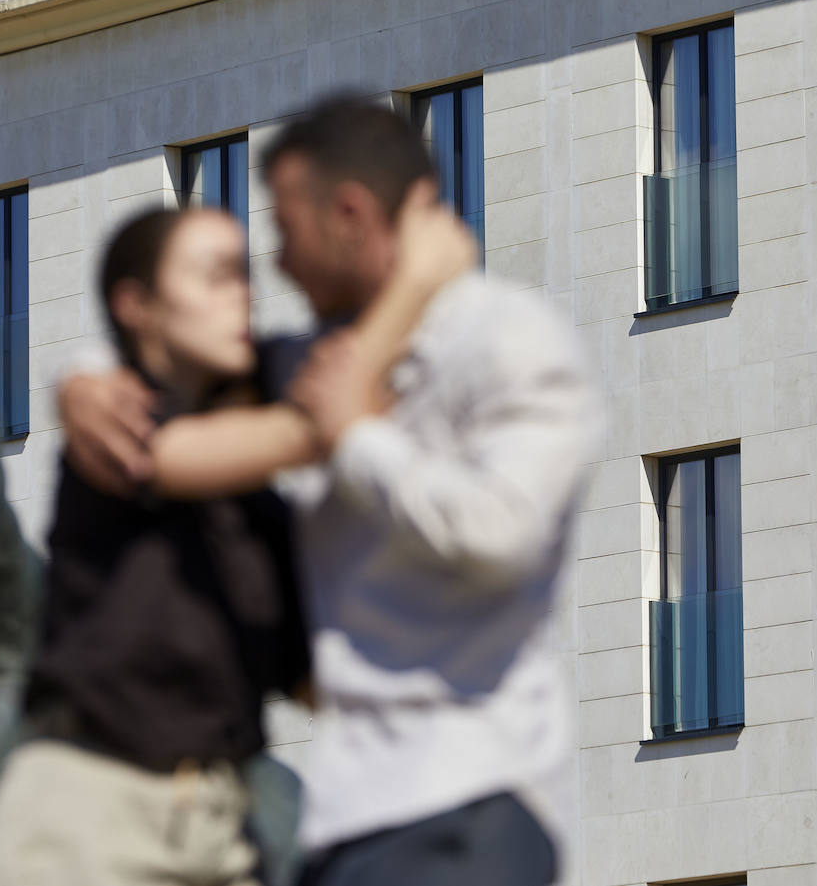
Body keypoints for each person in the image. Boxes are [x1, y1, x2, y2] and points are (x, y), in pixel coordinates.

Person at [60, 97, 600, 886]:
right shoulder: (306, 360)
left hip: (471, 802)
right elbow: (162, 376)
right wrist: (74, 384)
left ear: (348, 213)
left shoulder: (515, 342)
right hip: (348, 817)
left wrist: (356, 439)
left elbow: (500, 532)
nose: (276, 264)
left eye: (285, 231)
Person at [0, 200, 465, 886]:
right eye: (215, 275)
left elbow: (322, 676)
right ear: (136, 304)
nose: (242, 295)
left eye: (245, 276)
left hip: (220, 826)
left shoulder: (263, 518)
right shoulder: (120, 423)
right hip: (88, 811)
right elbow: (305, 425)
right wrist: (416, 283)